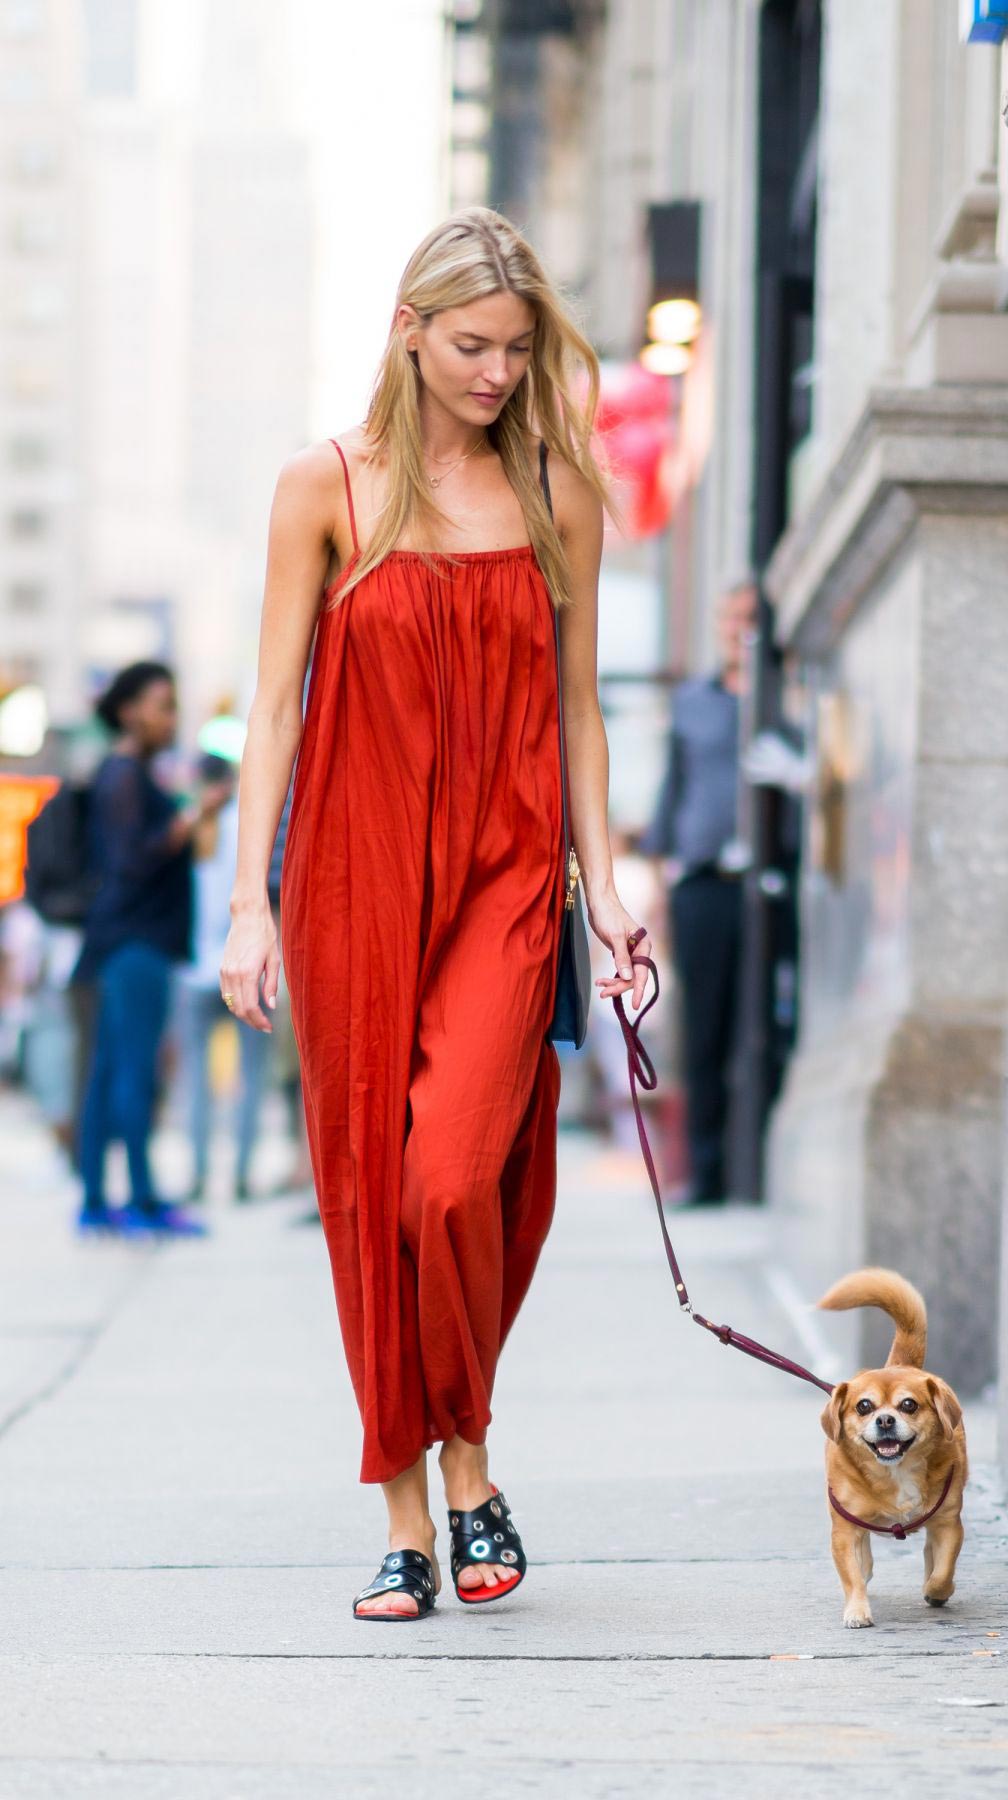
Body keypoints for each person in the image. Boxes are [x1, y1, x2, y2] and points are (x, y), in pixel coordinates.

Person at [220, 207, 652, 1621]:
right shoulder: (324, 488)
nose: (496, 374)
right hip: (350, 873)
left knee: (453, 1179)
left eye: (520, 352)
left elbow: (579, 711)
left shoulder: (557, 493)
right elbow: (273, 710)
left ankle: (467, 1456)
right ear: (407, 331)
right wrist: (247, 904)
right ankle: (418, 1509)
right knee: (369, 1192)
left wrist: (612, 887)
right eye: (472, 345)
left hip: (512, 874)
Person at [72, 662, 231, 1235]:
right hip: (134, 943)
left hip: (126, 943)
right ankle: (136, 1198)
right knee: (132, 1073)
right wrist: (192, 817)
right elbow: (133, 859)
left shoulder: (132, 774)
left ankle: (97, 1201)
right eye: (162, 705)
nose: (172, 717)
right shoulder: (122, 777)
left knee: (112, 1071)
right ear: (129, 711)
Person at [642, 587, 755, 1206]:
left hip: (770, 885)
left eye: (751, 619)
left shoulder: (786, 697)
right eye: (731, 617)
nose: (740, 629)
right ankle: (708, 1172)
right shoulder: (693, 703)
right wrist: (660, 890)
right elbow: (672, 794)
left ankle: (756, 1170)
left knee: (760, 1026)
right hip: (703, 884)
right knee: (705, 1030)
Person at [175, 759, 271, 1202]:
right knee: (252, 1077)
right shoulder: (248, 829)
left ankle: (196, 1175)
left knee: (196, 1080)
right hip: (248, 966)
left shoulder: (186, 831)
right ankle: (242, 1176)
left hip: (194, 970)